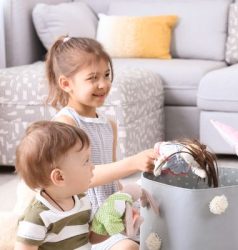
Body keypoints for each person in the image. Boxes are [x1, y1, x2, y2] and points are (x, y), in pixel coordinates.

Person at [45, 36, 157, 250]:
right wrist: (132, 163)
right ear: (66, 83)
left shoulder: (109, 124)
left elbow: (111, 180)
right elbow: (80, 179)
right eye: (93, 78)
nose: (103, 84)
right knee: (128, 247)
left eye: (106, 75)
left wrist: (126, 201)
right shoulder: (65, 123)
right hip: (84, 222)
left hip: (110, 211)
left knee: (159, 218)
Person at [14, 121, 108, 249]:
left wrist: (112, 223)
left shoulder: (82, 200)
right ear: (60, 177)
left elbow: (91, 237)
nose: (92, 166)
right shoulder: (37, 217)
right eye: (86, 161)